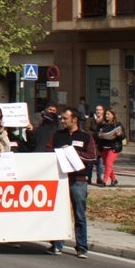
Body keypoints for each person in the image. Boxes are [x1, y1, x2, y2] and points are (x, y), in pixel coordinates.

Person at [47, 106, 97, 258]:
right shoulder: (57, 135)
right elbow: (48, 150)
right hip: (61, 179)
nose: (62, 121)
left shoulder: (86, 136)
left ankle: (82, 247)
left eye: (65, 118)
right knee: (59, 213)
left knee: (79, 214)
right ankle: (56, 244)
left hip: (78, 180)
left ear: (74, 119)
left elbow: (91, 157)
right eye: (61, 118)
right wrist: (57, 153)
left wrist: (75, 153)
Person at [96, 108, 124, 187]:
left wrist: (119, 135)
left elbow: (123, 136)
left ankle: (104, 181)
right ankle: (114, 180)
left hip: (114, 147)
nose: (106, 116)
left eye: (108, 114)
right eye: (106, 114)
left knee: (108, 162)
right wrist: (99, 135)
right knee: (107, 164)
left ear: (113, 115)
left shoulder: (118, 125)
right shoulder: (102, 124)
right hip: (104, 146)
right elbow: (96, 133)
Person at [85, 104, 106, 183]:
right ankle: (89, 178)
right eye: (97, 110)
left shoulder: (104, 120)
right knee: (90, 162)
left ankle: (99, 178)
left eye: (100, 110)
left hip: (101, 143)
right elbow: (86, 129)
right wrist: (95, 134)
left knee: (100, 162)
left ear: (103, 111)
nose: (98, 111)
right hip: (92, 143)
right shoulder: (90, 119)